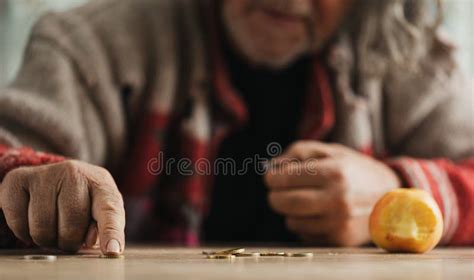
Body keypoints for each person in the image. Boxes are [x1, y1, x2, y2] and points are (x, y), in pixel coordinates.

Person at [0, 0, 472, 256]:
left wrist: (397, 187)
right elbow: (8, 154)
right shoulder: (93, 45)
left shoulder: (411, 57)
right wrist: (30, 183)